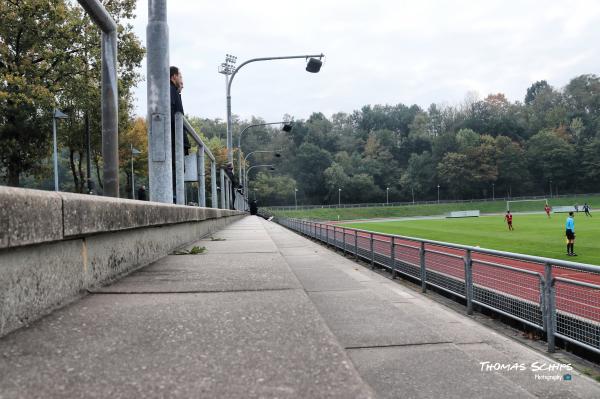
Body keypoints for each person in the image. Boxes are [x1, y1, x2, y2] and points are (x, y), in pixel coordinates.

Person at [170, 66, 191, 203]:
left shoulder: (174, 92)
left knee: (178, 171)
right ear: (173, 76)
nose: (182, 80)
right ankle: (174, 201)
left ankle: (175, 200)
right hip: (173, 140)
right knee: (176, 171)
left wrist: (179, 92)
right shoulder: (170, 90)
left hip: (176, 139)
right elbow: (174, 115)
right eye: (180, 76)